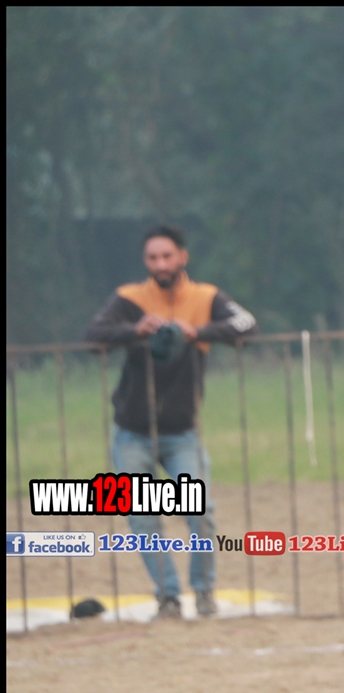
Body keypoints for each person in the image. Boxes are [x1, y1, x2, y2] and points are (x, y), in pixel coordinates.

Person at [84, 224, 256, 619]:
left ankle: (204, 592)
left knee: (201, 512)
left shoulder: (206, 297)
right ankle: (168, 597)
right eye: (152, 258)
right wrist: (134, 329)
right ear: (145, 262)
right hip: (132, 430)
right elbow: (93, 334)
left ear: (182, 257)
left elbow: (247, 324)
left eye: (167, 256)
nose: (160, 264)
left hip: (182, 431)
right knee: (142, 516)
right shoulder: (130, 298)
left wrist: (198, 331)